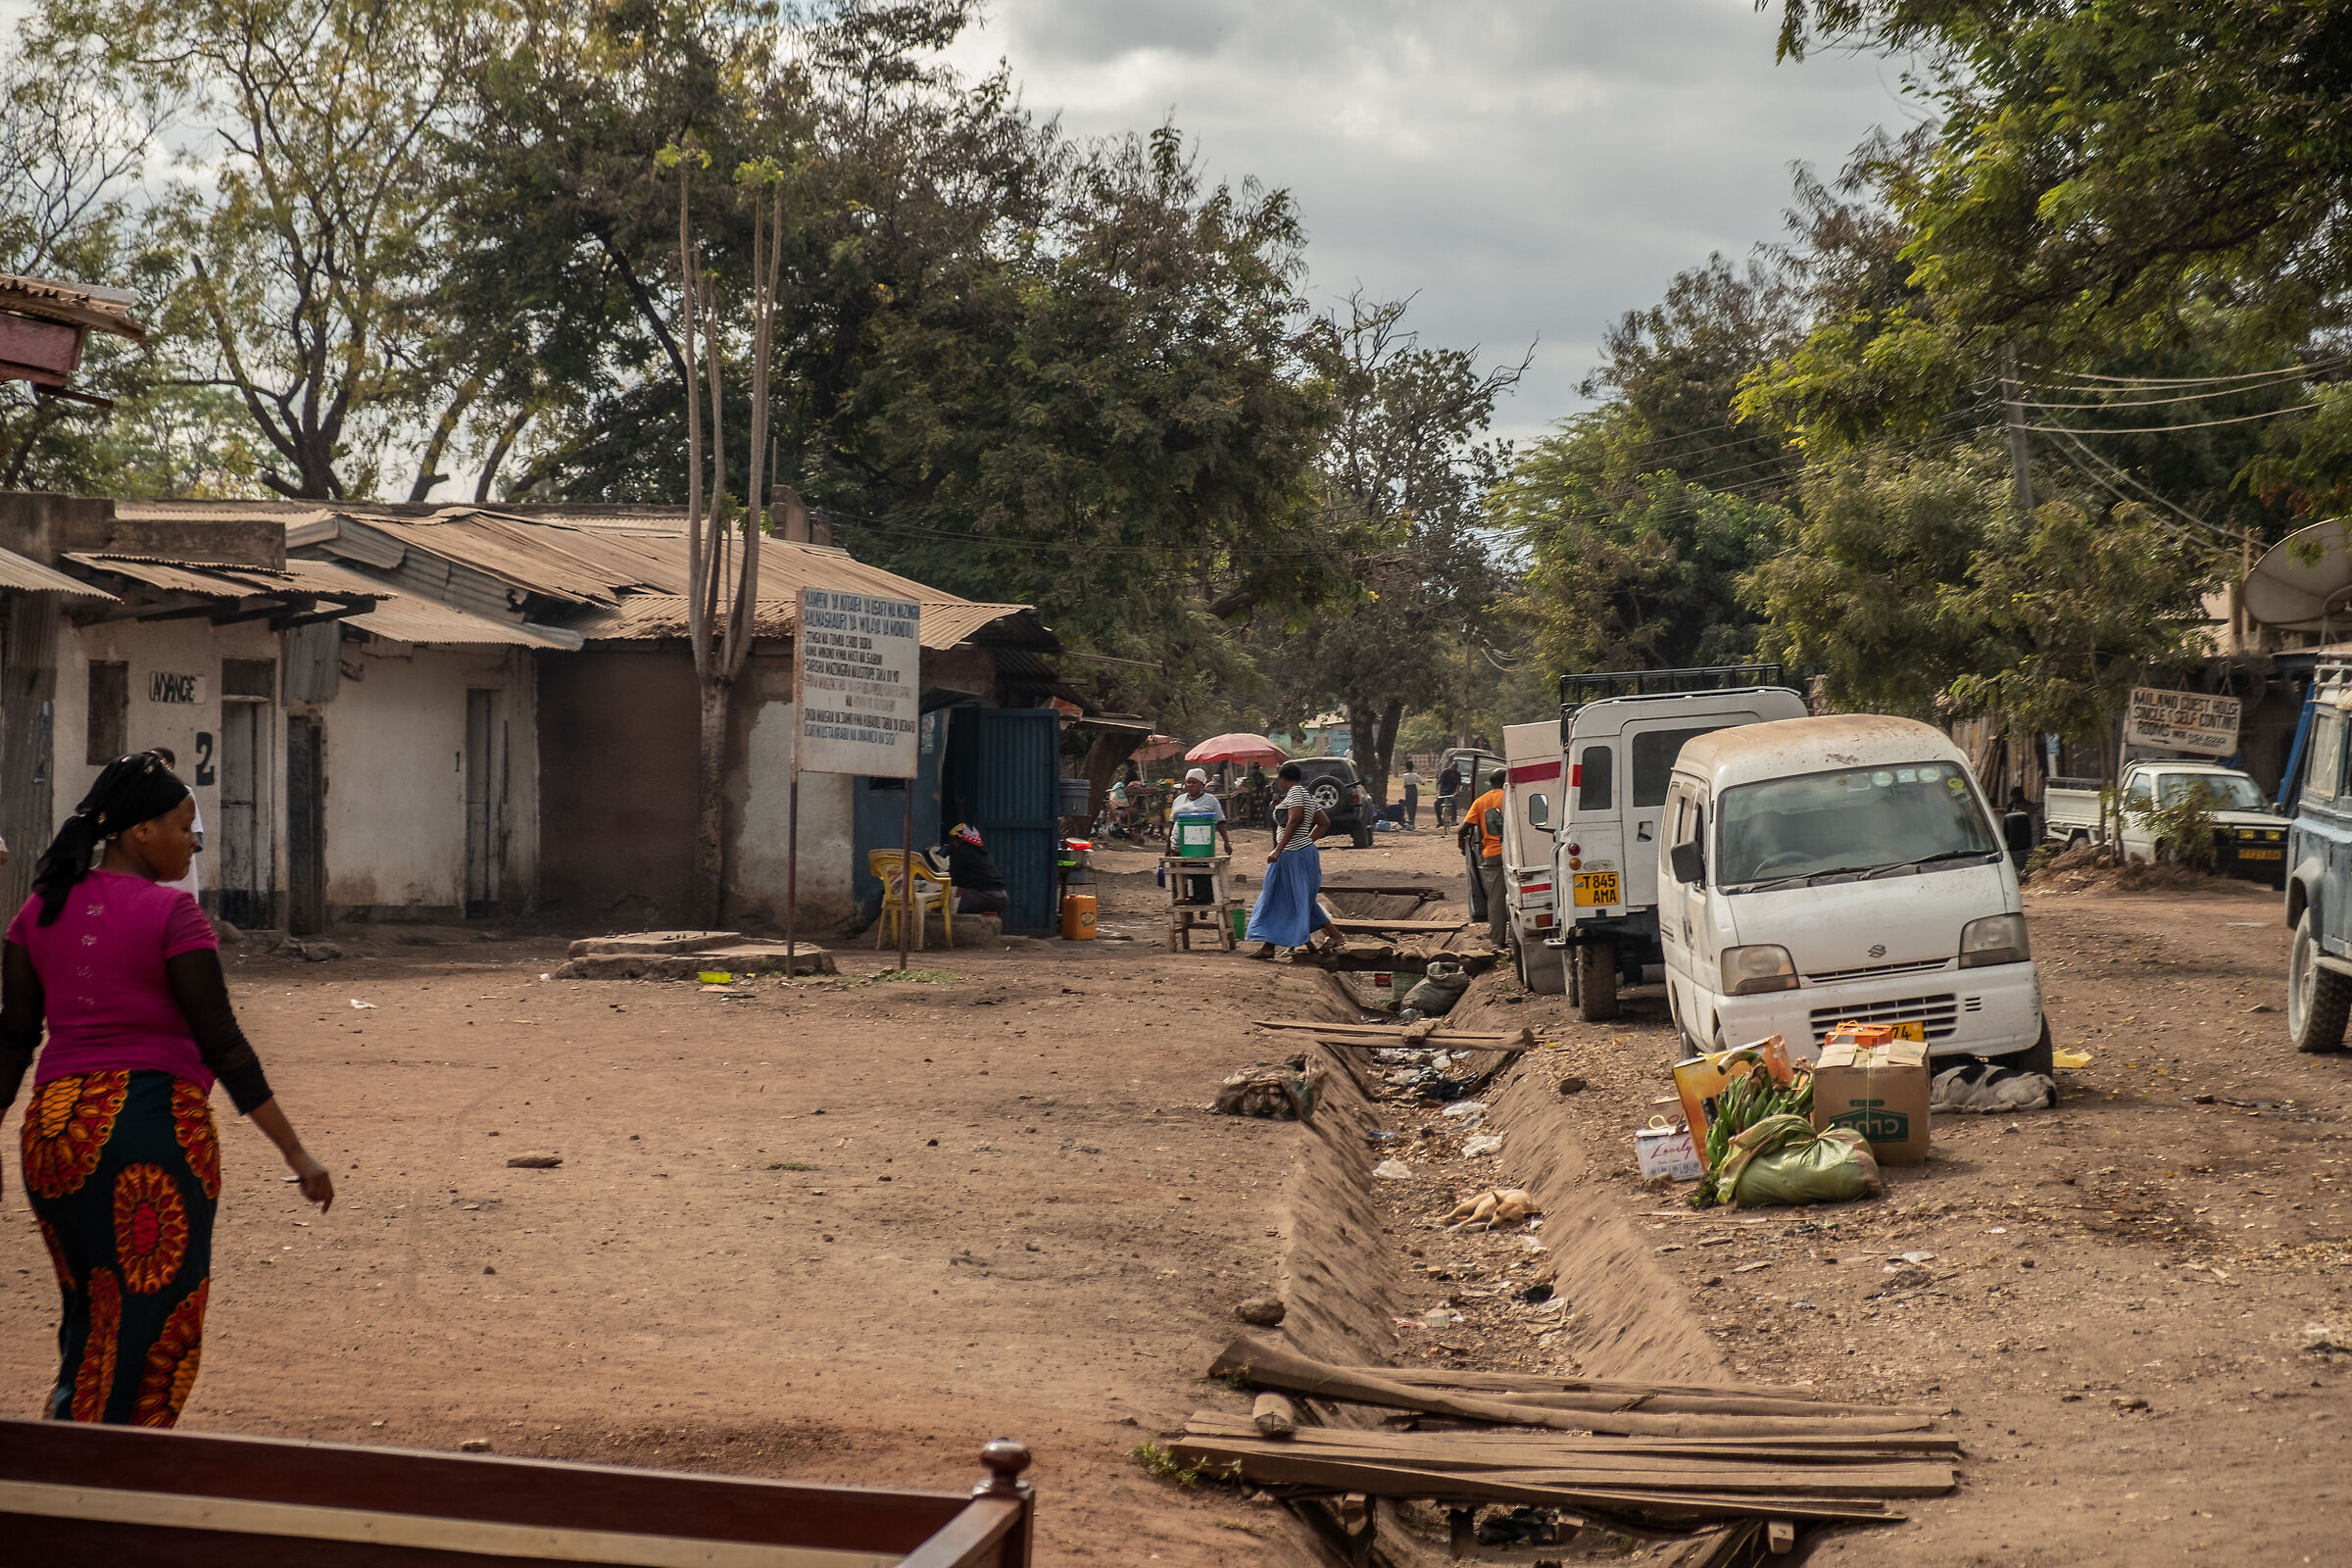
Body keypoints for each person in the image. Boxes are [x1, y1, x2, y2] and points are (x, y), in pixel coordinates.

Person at [0, 752, 332, 1425]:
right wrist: (297, 1155)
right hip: (146, 1132)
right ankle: (115, 1480)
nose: (194, 840)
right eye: (185, 826)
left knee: (89, 1311)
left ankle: (65, 1452)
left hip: (55, 1136)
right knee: (152, 1322)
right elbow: (224, 1044)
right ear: (138, 831)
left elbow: (13, 1039)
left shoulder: (37, 913)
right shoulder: (172, 915)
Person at [1247, 762, 1345, 958]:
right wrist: (1308, 841)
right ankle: (1334, 936)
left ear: (1282, 779)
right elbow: (1324, 822)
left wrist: (1277, 849)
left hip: (1291, 854)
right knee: (1296, 899)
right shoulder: (1306, 795)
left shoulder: (1295, 794)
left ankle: (1269, 947)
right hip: (1303, 852)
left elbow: (1294, 820)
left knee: (1275, 897)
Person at [1458, 767, 1509, 948]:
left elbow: (1463, 828)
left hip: (1493, 854)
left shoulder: (1481, 801)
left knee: (1496, 898)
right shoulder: (1513, 798)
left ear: (1491, 782)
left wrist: (1462, 846)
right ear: (1506, 781)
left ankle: (1497, 940)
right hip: (1516, 854)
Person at [148, 748, 202, 903]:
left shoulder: (184, 793)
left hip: (176, 855)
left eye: (158, 762)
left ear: (170, 765)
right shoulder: (143, 793)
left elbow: (195, 829)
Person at [932, 822, 1007, 915]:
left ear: (958, 840)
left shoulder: (961, 851)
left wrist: (931, 882)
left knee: (943, 905)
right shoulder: (983, 853)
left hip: (983, 897)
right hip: (1002, 897)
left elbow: (953, 878)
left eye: (952, 841)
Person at [1436, 760, 1462, 826]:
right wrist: (1439, 792)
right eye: (1453, 766)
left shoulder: (1458, 774)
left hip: (1451, 793)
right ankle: (1439, 821)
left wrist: (1456, 792)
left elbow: (1458, 785)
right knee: (1436, 803)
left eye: (1455, 767)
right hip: (1443, 792)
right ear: (1451, 765)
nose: (1453, 768)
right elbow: (1440, 783)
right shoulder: (1445, 772)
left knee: (1453, 802)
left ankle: (1454, 820)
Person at [1399, 762, 1424, 829]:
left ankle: (1410, 820)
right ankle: (1413, 821)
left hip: (1408, 789)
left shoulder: (1405, 775)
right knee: (1414, 805)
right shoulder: (1416, 775)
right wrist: (1422, 783)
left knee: (1408, 805)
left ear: (1406, 768)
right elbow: (1422, 782)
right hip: (1414, 789)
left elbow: (1405, 784)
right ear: (1413, 767)